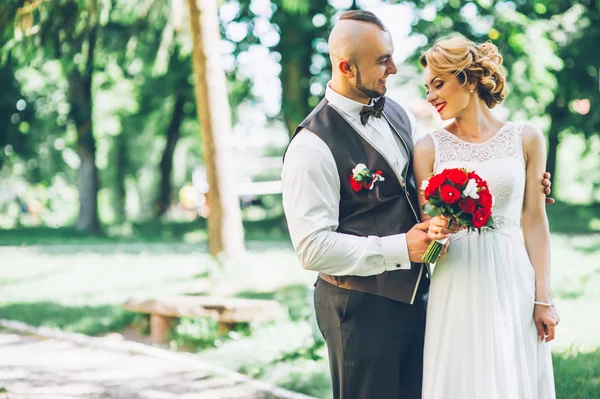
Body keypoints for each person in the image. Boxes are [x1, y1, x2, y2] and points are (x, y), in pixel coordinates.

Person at [281, 10, 553, 399]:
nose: (394, 68)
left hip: (424, 297)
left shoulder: (398, 116)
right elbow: (312, 248)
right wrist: (401, 247)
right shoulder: (312, 146)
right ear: (346, 67)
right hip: (360, 307)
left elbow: (443, 179)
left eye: (390, 55)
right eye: (382, 60)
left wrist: (525, 179)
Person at [415, 37, 559, 399]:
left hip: (513, 276)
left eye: (438, 83)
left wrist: (544, 298)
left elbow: (535, 221)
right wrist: (437, 234)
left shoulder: (527, 139)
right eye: (427, 87)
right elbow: (427, 237)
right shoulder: (428, 148)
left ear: (467, 78)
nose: (430, 97)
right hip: (456, 277)